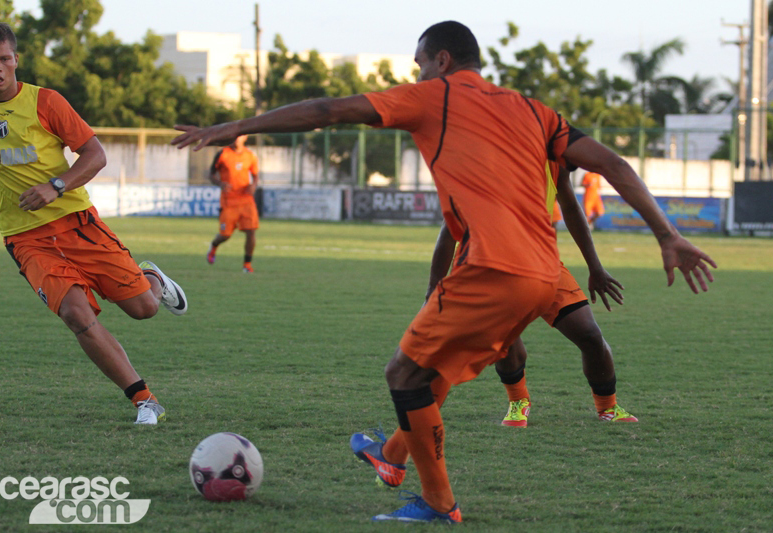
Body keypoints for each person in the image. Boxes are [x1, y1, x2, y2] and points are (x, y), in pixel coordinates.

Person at [172, 20, 716, 525]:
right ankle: (387, 456)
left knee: (402, 376)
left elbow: (329, 108)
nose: (416, 75)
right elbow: (616, 165)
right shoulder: (536, 111)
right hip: (544, 273)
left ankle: (439, 503)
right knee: (435, 375)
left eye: (419, 65)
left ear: (441, 60)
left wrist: (239, 126)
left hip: (491, 268)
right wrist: (667, 235)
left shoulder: (436, 95)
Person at [0, 22, 187, 425]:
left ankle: (153, 280)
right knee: (76, 314)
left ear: (16, 60)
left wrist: (55, 186)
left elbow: (95, 155)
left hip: (76, 223)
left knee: (144, 309)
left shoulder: (46, 102)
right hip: (26, 240)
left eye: (4, 59)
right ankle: (144, 400)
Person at [426, 162, 635, 429]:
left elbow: (570, 207)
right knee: (504, 339)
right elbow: (449, 228)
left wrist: (595, 267)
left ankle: (608, 407)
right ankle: (518, 402)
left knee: (590, 335)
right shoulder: (482, 158)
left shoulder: (552, 154)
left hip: (541, 262)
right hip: (488, 265)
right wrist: (433, 291)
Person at [206, 134, 260, 273]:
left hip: (246, 200)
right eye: (235, 136)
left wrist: (253, 185)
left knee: (251, 231)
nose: (237, 138)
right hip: (228, 201)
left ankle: (247, 264)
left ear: (245, 137)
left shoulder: (250, 155)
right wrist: (219, 183)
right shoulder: (223, 154)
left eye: (240, 136)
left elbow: (255, 175)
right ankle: (213, 246)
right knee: (225, 235)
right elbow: (211, 175)